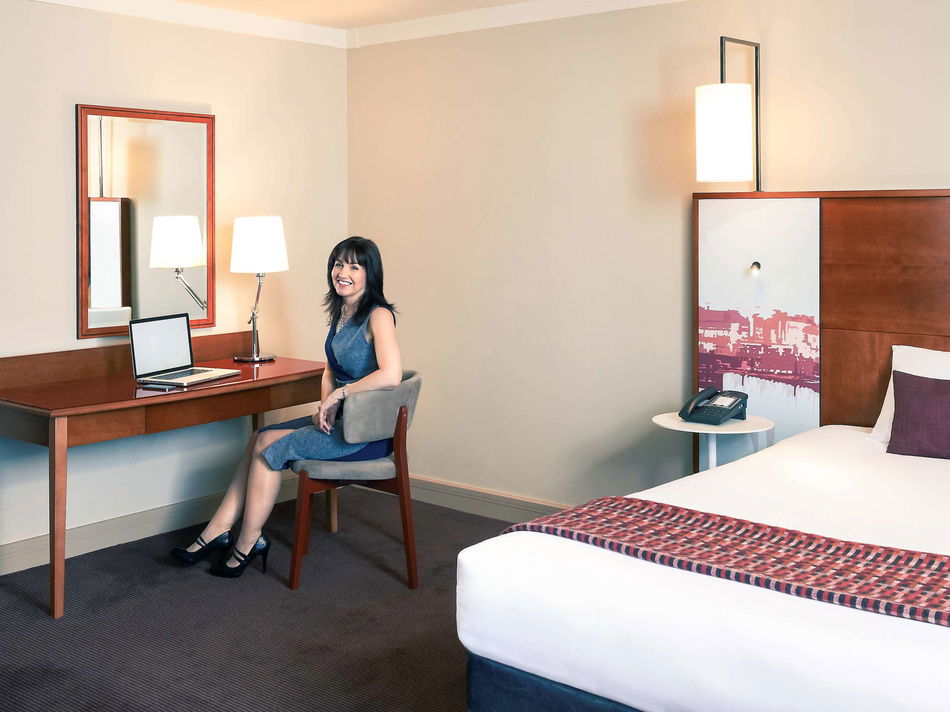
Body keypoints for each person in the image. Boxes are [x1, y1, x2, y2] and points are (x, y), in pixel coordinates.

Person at [170, 236, 402, 577]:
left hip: (363, 434)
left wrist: (339, 396)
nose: (343, 273)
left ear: (371, 273)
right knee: (258, 438)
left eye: (355, 266)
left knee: (268, 445)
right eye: (339, 264)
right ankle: (217, 530)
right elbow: (330, 369)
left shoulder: (378, 315)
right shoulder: (342, 312)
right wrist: (325, 405)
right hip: (340, 422)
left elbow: (392, 375)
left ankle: (248, 542)